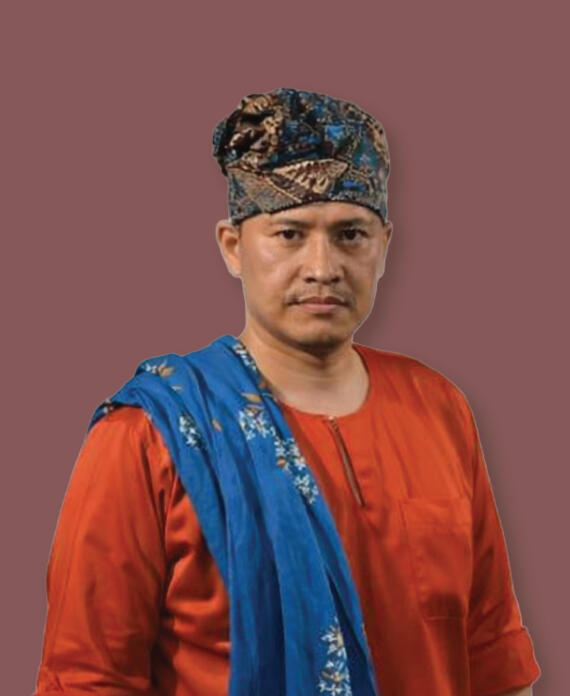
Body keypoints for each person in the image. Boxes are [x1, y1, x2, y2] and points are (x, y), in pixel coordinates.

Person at [33, 88, 541, 696]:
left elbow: (492, 655)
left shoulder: (438, 408)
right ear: (233, 248)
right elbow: (86, 679)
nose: (322, 267)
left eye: (350, 234)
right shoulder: (149, 436)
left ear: (384, 247)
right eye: (290, 234)